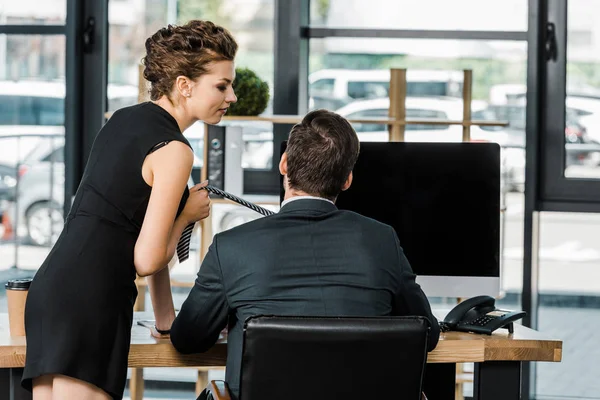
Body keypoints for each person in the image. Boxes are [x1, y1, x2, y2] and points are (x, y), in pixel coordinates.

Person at [21, 20, 238, 400]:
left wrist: (167, 322)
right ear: (184, 85)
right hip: (93, 301)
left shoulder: (125, 119)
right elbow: (147, 258)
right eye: (222, 85)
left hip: (53, 290)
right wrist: (186, 216)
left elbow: (143, 229)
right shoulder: (175, 151)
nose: (232, 96)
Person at [170, 109, 440, 399]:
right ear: (347, 179)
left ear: (284, 164)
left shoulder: (231, 246)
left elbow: (187, 339)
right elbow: (428, 334)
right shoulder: (382, 240)